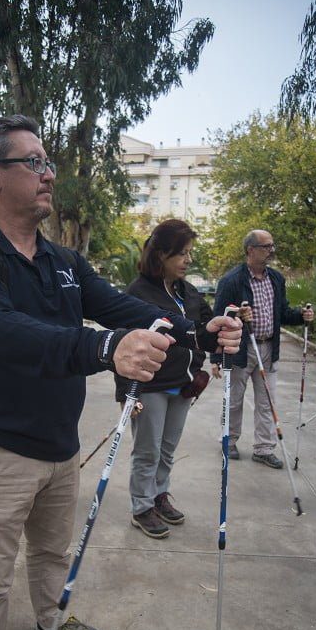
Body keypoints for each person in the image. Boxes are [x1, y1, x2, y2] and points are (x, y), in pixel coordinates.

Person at [0, 115, 242, 630]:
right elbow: (5, 332)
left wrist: (197, 329)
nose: (49, 173)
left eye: (48, 160)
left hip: (58, 444)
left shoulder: (63, 260)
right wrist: (105, 351)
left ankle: (51, 616)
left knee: (53, 551)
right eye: (34, 162)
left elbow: (125, 306)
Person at [115, 219, 214, 539]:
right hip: (150, 386)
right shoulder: (138, 293)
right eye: (181, 254)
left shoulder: (189, 292)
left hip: (183, 385)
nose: (188, 260)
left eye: (189, 253)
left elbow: (205, 329)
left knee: (167, 449)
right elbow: (124, 343)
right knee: (147, 450)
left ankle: (159, 494)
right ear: (160, 256)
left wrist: (232, 323)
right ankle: (141, 506)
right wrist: (127, 395)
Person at [211, 229, 315, 468]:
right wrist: (215, 357)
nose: (271, 251)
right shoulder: (232, 280)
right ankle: (229, 440)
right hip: (240, 349)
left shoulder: (276, 279)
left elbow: (283, 313)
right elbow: (219, 318)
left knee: (268, 401)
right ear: (251, 250)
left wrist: (302, 316)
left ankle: (264, 448)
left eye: (272, 246)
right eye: (266, 246)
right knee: (234, 400)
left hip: (269, 348)